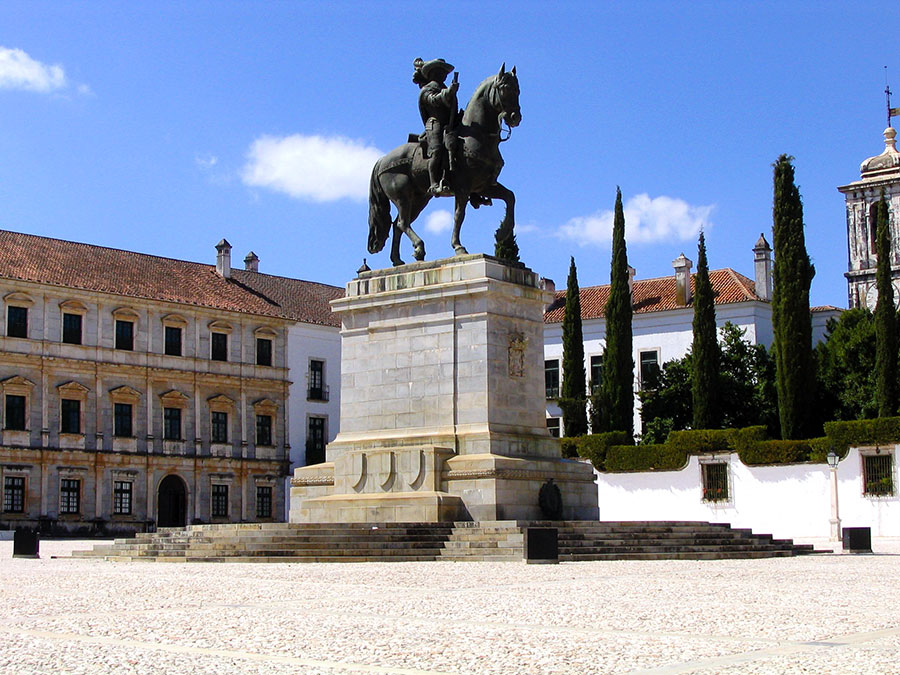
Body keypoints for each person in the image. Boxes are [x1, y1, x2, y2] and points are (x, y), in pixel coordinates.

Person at [414, 58, 459, 196]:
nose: (444, 74)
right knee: (437, 150)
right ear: (433, 73)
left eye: (445, 72)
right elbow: (434, 100)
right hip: (435, 123)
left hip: (450, 125)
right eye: (441, 71)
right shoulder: (427, 90)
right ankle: (434, 183)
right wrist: (449, 92)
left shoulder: (445, 88)